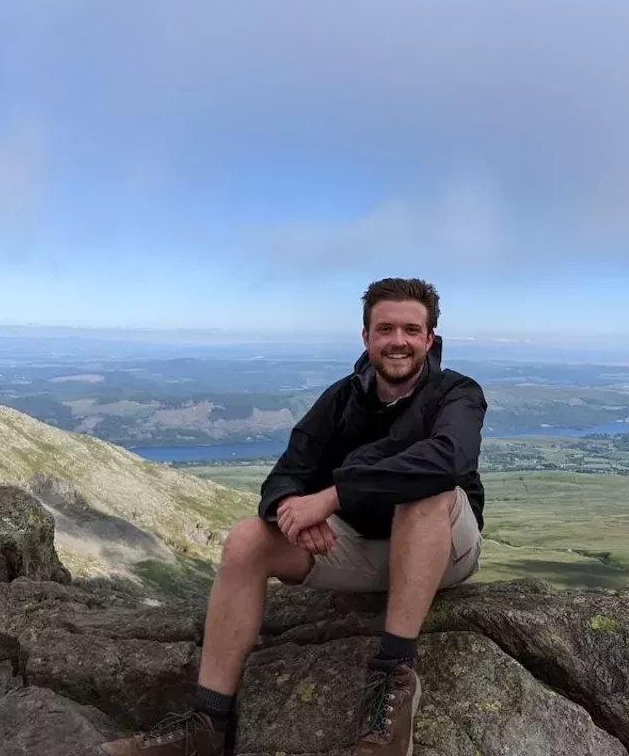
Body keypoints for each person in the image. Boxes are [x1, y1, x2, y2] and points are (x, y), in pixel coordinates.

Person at [99, 277, 487, 756]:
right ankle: (206, 725)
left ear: (429, 339)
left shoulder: (458, 394)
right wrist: (289, 509)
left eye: (411, 330)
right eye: (386, 329)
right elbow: (286, 474)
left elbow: (448, 461)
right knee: (246, 540)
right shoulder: (342, 398)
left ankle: (393, 686)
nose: (398, 341)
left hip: (443, 546)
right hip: (365, 549)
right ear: (366, 338)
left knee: (425, 495)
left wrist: (334, 496)